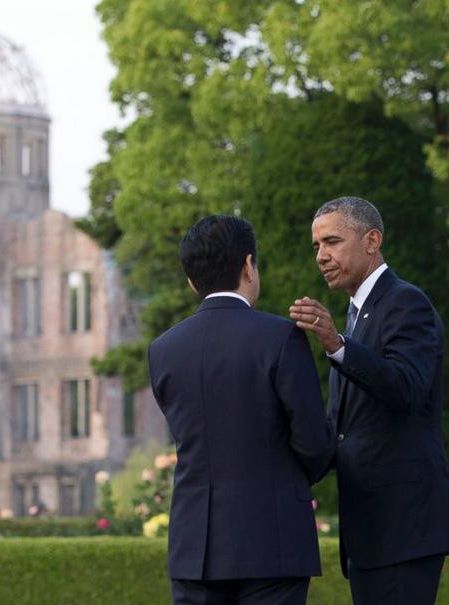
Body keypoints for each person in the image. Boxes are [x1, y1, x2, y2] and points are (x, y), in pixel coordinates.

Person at [148, 215, 333, 605]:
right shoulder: (281, 338)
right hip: (273, 541)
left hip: (194, 547)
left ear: (191, 281)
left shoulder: (163, 350)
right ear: (249, 266)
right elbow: (314, 443)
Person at [289, 196, 449, 604]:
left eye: (332, 241)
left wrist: (337, 346)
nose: (321, 256)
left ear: (372, 240)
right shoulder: (355, 316)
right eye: (316, 246)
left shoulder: (406, 302)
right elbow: (343, 430)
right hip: (372, 532)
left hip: (403, 530)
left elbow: (408, 388)